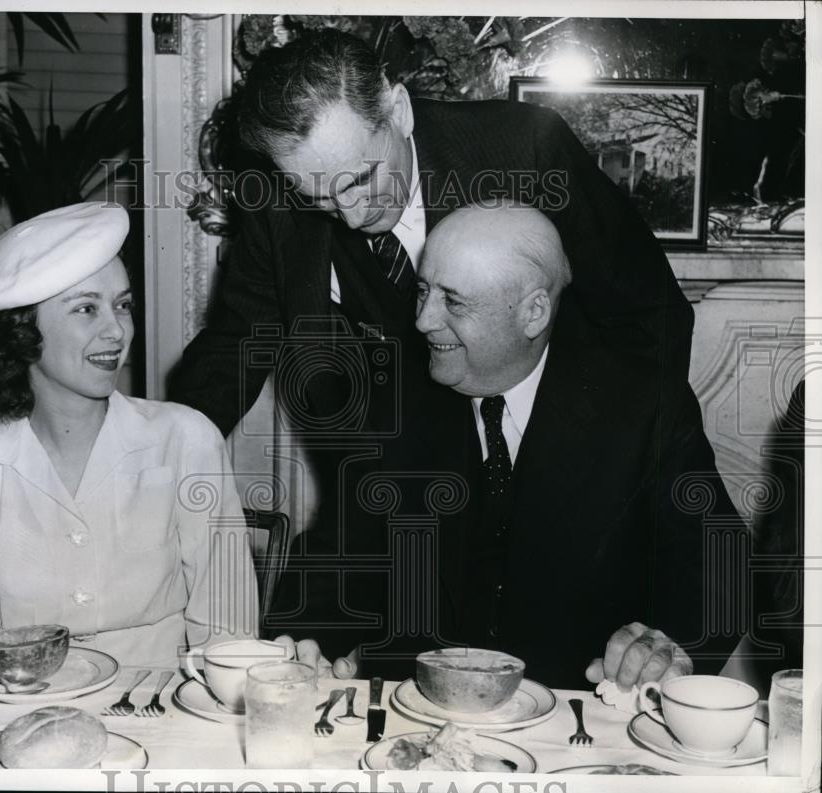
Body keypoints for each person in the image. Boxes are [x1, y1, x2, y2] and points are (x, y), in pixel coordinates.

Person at [168, 29, 694, 680]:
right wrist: (159, 457)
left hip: (550, 442)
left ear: (398, 110)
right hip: (397, 481)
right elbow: (234, 345)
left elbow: (648, 311)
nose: (347, 213)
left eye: (360, 179)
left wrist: (642, 450)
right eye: (317, 195)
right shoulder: (285, 202)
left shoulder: (523, 149)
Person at [414, 202, 744, 689]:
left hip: (579, 717)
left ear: (534, 312)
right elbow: (339, 548)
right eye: (422, 291)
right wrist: (309, 637)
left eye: (453, 302)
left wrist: (666, 651)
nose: (423, 320)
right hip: (422, 713)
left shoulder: (640, 406)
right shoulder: (397, 395)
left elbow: (722, 568)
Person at [0, 202, 258, 667]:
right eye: (85, 309)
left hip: (164, 715)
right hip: (23, 715)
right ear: (23, 333)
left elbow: (228, 636)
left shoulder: (186, 441)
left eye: (122, 305)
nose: (116, 330)